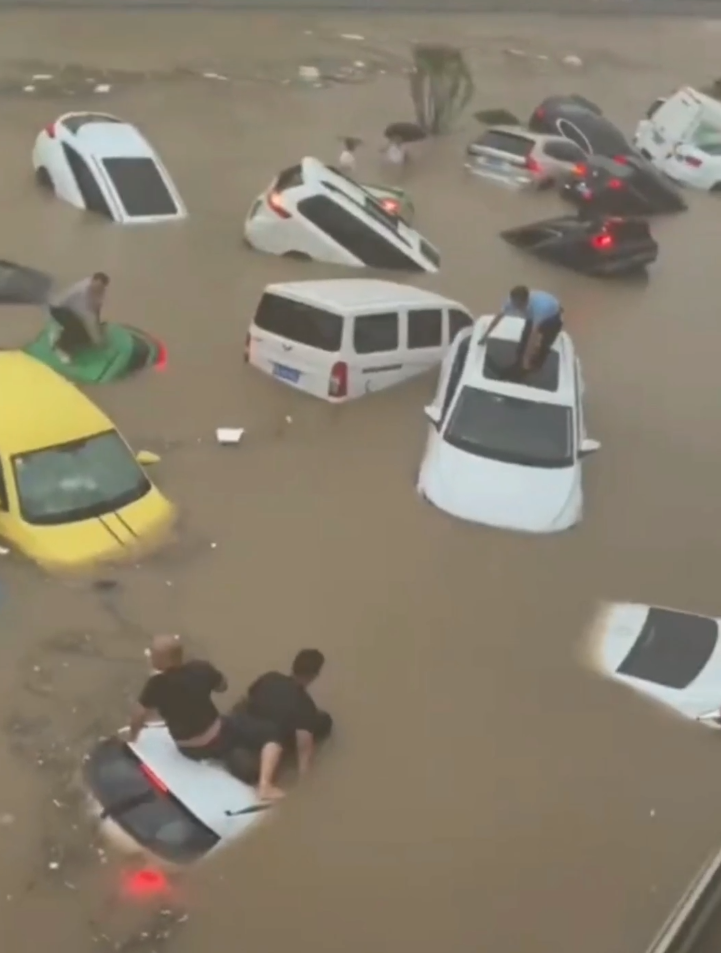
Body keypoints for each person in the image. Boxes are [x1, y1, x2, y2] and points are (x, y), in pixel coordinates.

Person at [127, 635, 285, 802]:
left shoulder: (155, 685)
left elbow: (138, 715)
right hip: (220, 734)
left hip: (189, 749)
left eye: (154, 654)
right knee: (273, 731)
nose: (150, 656)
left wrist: (133, 738)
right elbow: (223, 686)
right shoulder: (200, 668)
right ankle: (265, 786)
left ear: (165, 660)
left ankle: (238, 762)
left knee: (236, 751)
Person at [241, 649, 331, 780]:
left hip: (250, 731)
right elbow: (304, 750)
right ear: (314, 675)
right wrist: (306, 781)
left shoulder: (269, 677)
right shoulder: (305, 705)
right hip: (269, 745)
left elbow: (248, 697)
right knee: (325, 721)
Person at [480, 285, 564, 373]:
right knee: (523, 342)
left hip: (552, 318)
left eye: (518, 305)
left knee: (544, 345)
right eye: (514, 304)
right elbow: (498, 317)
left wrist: (526, 359)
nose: (515, 307)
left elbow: (533, 334)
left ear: (526, 301)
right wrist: (485, 335)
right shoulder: (511, 302)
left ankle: (536, 367)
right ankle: (519, 365)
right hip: (532, 314)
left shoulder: (541, 308)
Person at [49, 272, 110, 361]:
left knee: (85, 337)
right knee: (74, 326)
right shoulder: (82, 292)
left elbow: (96, 309)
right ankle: (60, 347)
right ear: (92, 280)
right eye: (96, 286)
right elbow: (87, 317)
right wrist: (97, 340)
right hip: (58, 308)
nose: (97, 289)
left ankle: (71, 338)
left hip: (73, 309)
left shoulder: (100, 290)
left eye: (100, 288)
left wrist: (98, 326)